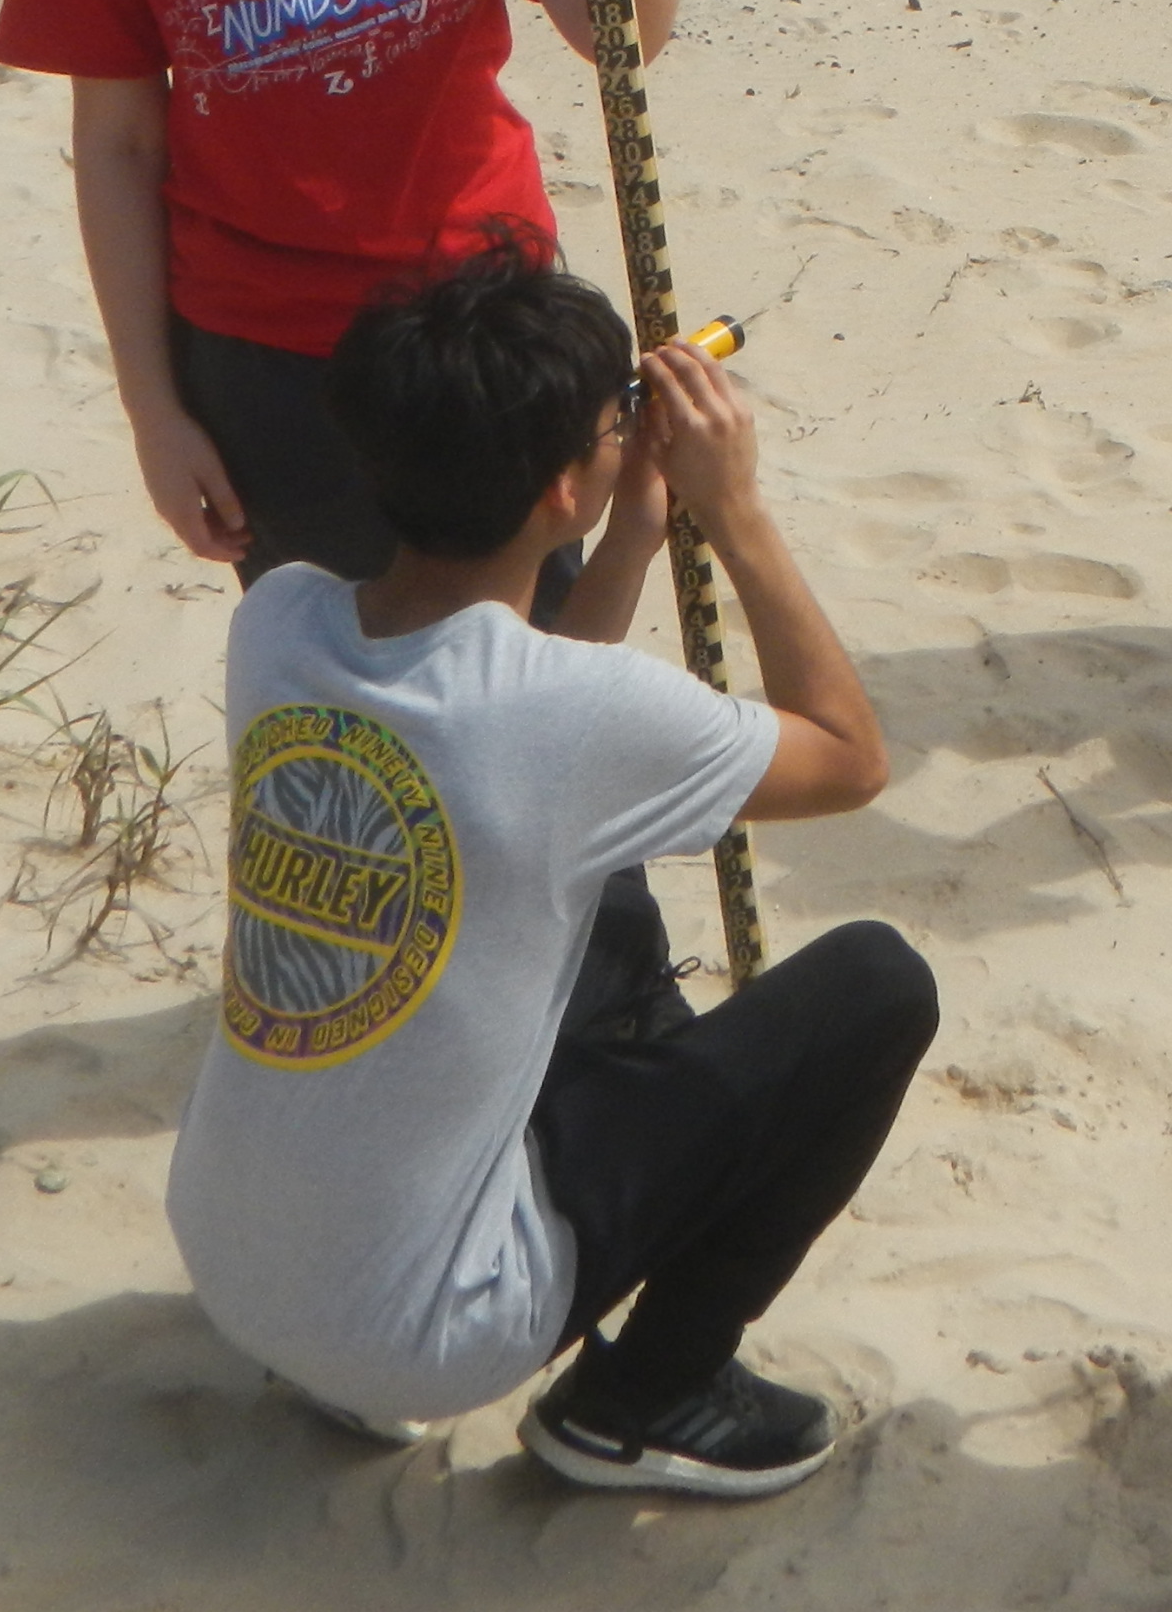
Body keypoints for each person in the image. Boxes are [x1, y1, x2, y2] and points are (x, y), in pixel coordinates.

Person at [0, 0, 709, 1025]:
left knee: (533, 683)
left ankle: (603, 1007)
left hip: (484, 325)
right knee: (346, 714)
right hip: (267, 350)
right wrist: (155, 409)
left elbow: (617, 39)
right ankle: (356, 1000)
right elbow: (117, 146)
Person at [167, 242, 931, 1497]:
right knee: (875, 988)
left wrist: (630, 534)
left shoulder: (280, 620)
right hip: (424, 1336)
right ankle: (649, 1393)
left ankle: (385, 1347)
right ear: (561, 488)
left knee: (591, 915)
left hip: (234, 1264)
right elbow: (851, 761)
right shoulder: (579, 718)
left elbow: (529, 715)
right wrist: (735, 509)